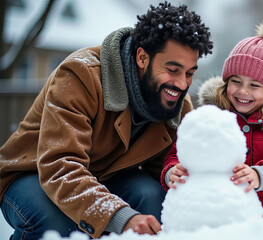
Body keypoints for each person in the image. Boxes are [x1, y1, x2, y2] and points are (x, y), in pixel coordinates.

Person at [0, 1, 213, 239]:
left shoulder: (176, 104)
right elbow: (60, 165)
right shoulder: (80, 75)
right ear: (142, 57)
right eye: (173, 69)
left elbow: (167, 170)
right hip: (34, 173)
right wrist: (122, 217)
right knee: (55, 222)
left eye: (190, 73)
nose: (182, 84)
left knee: (151, 195)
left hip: (105, 177)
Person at [160, 18, 263, 225]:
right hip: (225, 219)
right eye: (236, 81)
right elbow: (182, 151)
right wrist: (173, 170)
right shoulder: (213, 116)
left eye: (254, 85)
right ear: (226, 82)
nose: (243, 91)